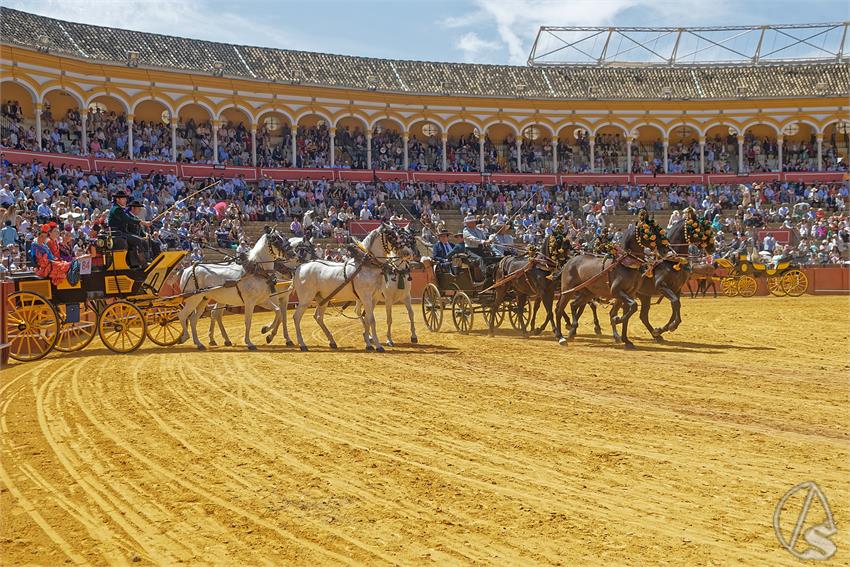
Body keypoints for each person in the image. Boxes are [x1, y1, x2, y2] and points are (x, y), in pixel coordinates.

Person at [107, 191, 151, 267]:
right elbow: (127, 219)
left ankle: (142, 261)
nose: (125, 200)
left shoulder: (119, 209)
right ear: (117, 199)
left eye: (125, 198)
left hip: (122, 233)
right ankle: (143, 263)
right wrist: (143, 222)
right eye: (123, 198)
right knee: (138, 240)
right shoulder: (116, 209)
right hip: (118, 233)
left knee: (141, 239)